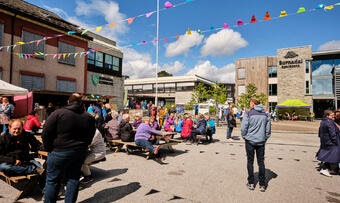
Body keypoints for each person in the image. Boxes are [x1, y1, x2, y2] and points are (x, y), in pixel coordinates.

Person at [42, 93, 96, 203]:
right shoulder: (88, 117)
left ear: (68, 101)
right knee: (73, 179)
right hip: (78, 152)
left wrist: (48, 149)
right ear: (81, 103)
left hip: (59, 151)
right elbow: (91, 135)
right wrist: (83, 147)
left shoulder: (58, 113)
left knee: (53, 181)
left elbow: (46, 133)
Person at [241, 98, 271, 192]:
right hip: (261, 141)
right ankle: (262, 184)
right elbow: (268, 130)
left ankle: (251, 183)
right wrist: (265, 138)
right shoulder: (265, 115)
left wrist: (244, 136)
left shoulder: (248, 113)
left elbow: (243, 127)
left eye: (250, 103)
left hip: (250, 140)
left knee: (250, 161)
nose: (250, 105)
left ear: (253, 104)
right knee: (261, 162)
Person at [81, 114, 106, 182]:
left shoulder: (95, 132)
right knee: (78, 158)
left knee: (83, 161)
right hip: (94, 151)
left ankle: (88, 176)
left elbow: (88, 143)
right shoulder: (91, 130)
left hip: (99, 153)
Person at [316, 110, 340, 177]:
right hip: (331, 141)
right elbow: (332, 133)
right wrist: (335, 141)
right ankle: (325, 168)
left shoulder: (323, 121)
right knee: (332, 155)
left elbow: (320, 132)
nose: (333, 117)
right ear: (327, 115)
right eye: (332, 115)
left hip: (325, 141)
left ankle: (330, 169)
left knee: (330, 155)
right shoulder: (330, 122)